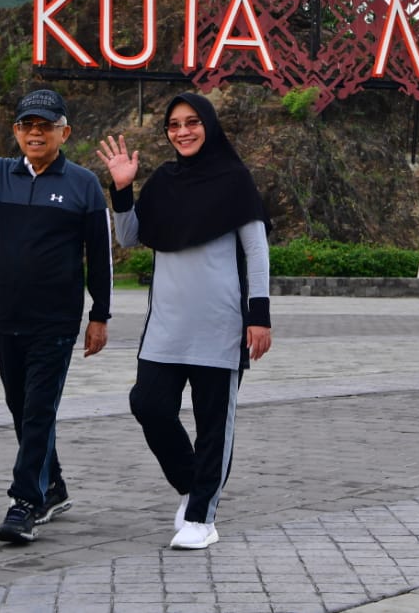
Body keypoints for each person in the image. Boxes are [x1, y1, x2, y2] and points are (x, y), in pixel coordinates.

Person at [0, 88, 112, 544]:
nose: (36, 132)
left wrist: (100, 314)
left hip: (55, 321)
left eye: (45, 126)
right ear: (16, 131)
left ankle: (24, 502)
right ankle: (53, 485)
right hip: (5, 317)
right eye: (28, 125)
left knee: (37, 411)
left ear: (63, 132)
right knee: (21, 408)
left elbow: (100, 255)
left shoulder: (83, 183)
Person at [97, 91, 273, 550]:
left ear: (209, 125)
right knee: (148, 405)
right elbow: (131, 237)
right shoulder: (163, 181)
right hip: (167, 326)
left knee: (215, 424)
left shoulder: (235, 180)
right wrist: (122, 189)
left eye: (192, 122)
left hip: (221, 325)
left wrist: (259, 315)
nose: (183, 131)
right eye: (174, 124)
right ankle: (195, 486)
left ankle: (201, 518)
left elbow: (256, 251)